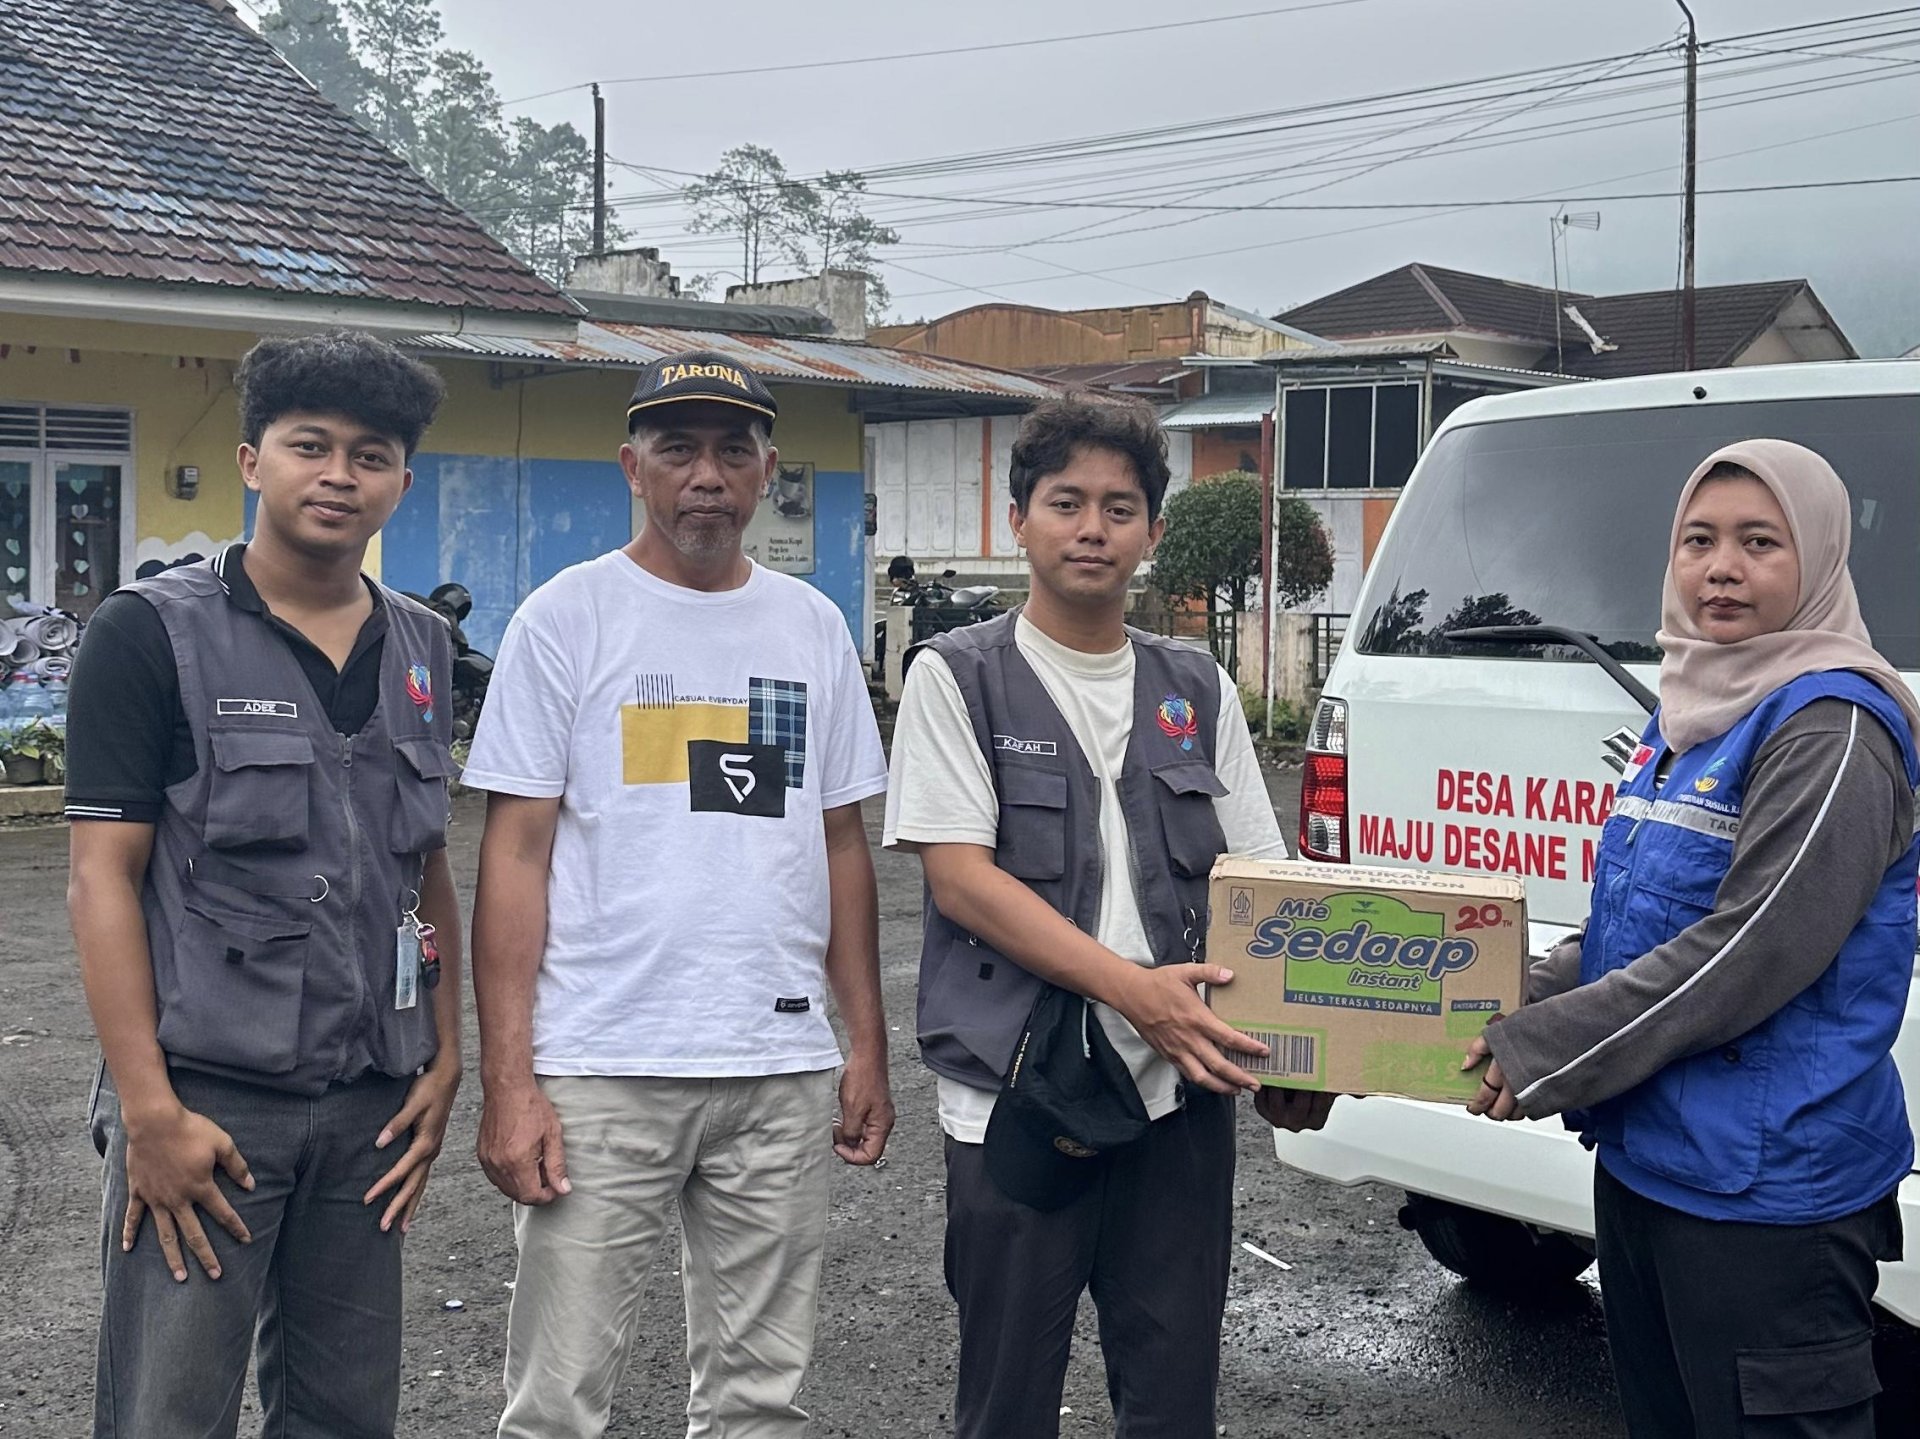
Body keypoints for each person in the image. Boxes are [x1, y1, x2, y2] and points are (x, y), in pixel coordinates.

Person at [884, 393, 1336, 1439]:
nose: (1092, 527)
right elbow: (960, 878)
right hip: (1019, 1092)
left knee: (1174, 1395)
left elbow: (1261, 880)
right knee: (1007, 1399)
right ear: (1020, 521)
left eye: (1119, 507)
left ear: (1152, 533)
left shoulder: (1196, 683)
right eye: (1066, 501)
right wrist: (1138, 993)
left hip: (1179, 1092)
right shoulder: (960, 678)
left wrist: (1300, 1052)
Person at [466, 351, 893, 1439]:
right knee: (557, 1400)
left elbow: (842, 842)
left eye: (732, 449)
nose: (707, 473)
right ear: (632, 467)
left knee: (760, 1398)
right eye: (678, 448)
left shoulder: (811, 628)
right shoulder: (566, 619)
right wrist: (510, 1080)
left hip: (777, 1066)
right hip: (603, 1065)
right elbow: (512, 856)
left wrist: (865, 1044)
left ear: (767, 471)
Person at [1465, 440, 1920, 1439]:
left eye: (1761, 541)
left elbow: (1747, 951)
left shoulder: (1834, 728)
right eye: (1699, 539)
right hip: (1650, 1170)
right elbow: (1631, 927)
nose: (1723, 566)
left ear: (1819, 561)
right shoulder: (1693, 712)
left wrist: (1545, 1048)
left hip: (1769, 1201)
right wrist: (1493, 995)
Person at [64, 330, 462, 1439]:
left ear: (401, 482)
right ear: (252, 461)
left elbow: (422, 861)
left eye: (370, 454)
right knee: (169, 1413)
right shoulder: (148, 634)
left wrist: (446, 1046)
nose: (340, 474)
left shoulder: (424, 646)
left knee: (347, 1415)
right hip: (207, 1105)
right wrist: (148, 1111)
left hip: (370, 1105)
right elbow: (103, 879)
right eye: (310, 444)